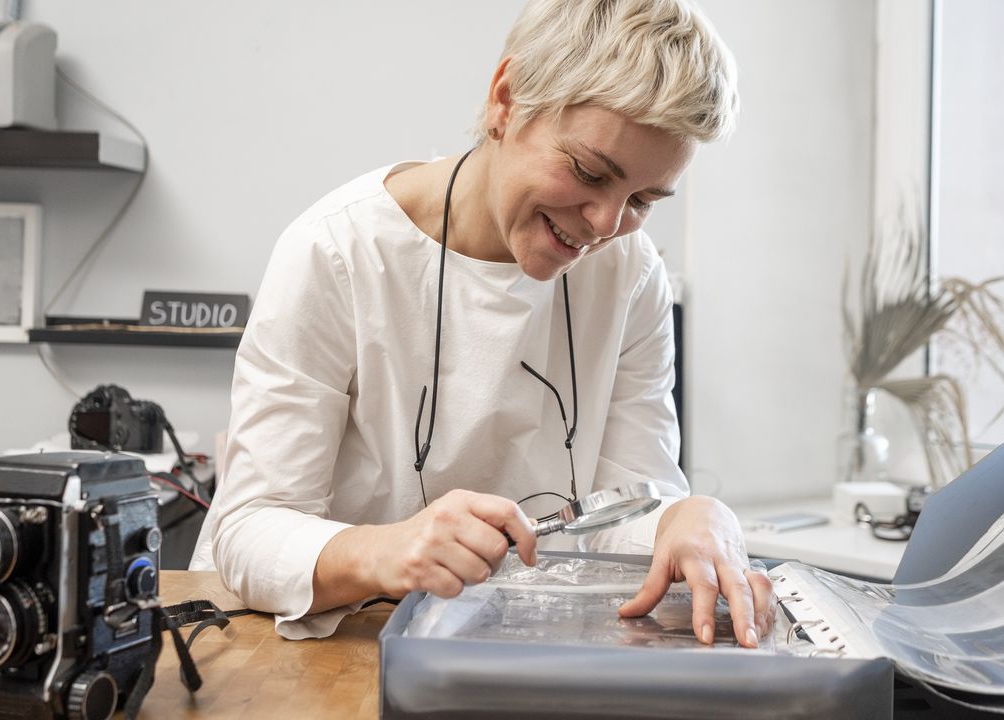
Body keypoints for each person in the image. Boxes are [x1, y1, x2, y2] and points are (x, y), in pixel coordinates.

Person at [191, 0, 776, 645]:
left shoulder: (632, 274)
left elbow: (627, 508)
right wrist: (388, 551)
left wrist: (685, 518)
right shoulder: (337, 253)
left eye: (641, 200)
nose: (606, 224)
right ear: (506, 100)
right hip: (310, 649)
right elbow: (245, 534)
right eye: (588, 172)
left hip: (501, 646)